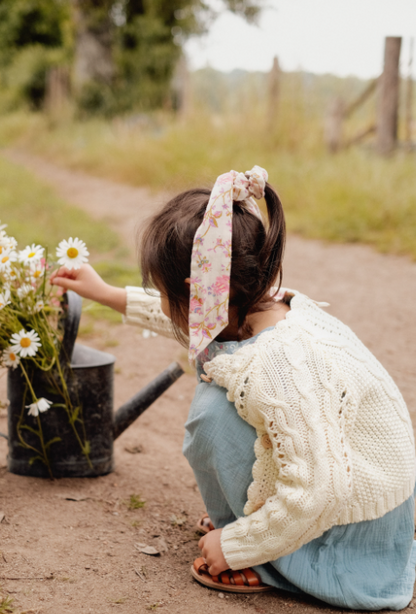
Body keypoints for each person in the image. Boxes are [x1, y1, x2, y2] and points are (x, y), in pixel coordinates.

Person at [51, 166, 416, 610]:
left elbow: (321, 490)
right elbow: (191, 321)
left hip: (352, 525)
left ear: (196, 291)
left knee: (213, 415)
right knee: (222, 395)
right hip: (343, 485)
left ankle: (268, 554)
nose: (166, 305)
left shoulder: (281, 365)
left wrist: (241, 543)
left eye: (165, 293)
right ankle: (261, 523)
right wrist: (107, 293)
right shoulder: (256, 306)